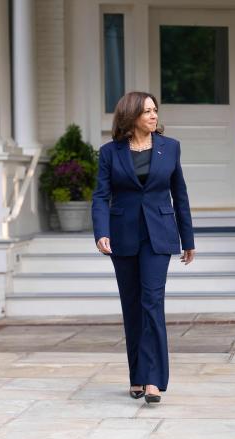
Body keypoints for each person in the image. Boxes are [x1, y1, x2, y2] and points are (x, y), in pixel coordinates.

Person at [92, 91, 195, 404]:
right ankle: (136, 376)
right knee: (132, 306)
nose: (153, 116)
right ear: (131, 116)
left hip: (158, 235)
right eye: (147, 111)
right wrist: (101, 232)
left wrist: (187, 239)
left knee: (152, 302)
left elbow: (181, 194)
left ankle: (153, 379)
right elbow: (100, 196)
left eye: (155, 111)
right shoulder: (110, 152)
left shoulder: (170, 148)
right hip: (123, 236)